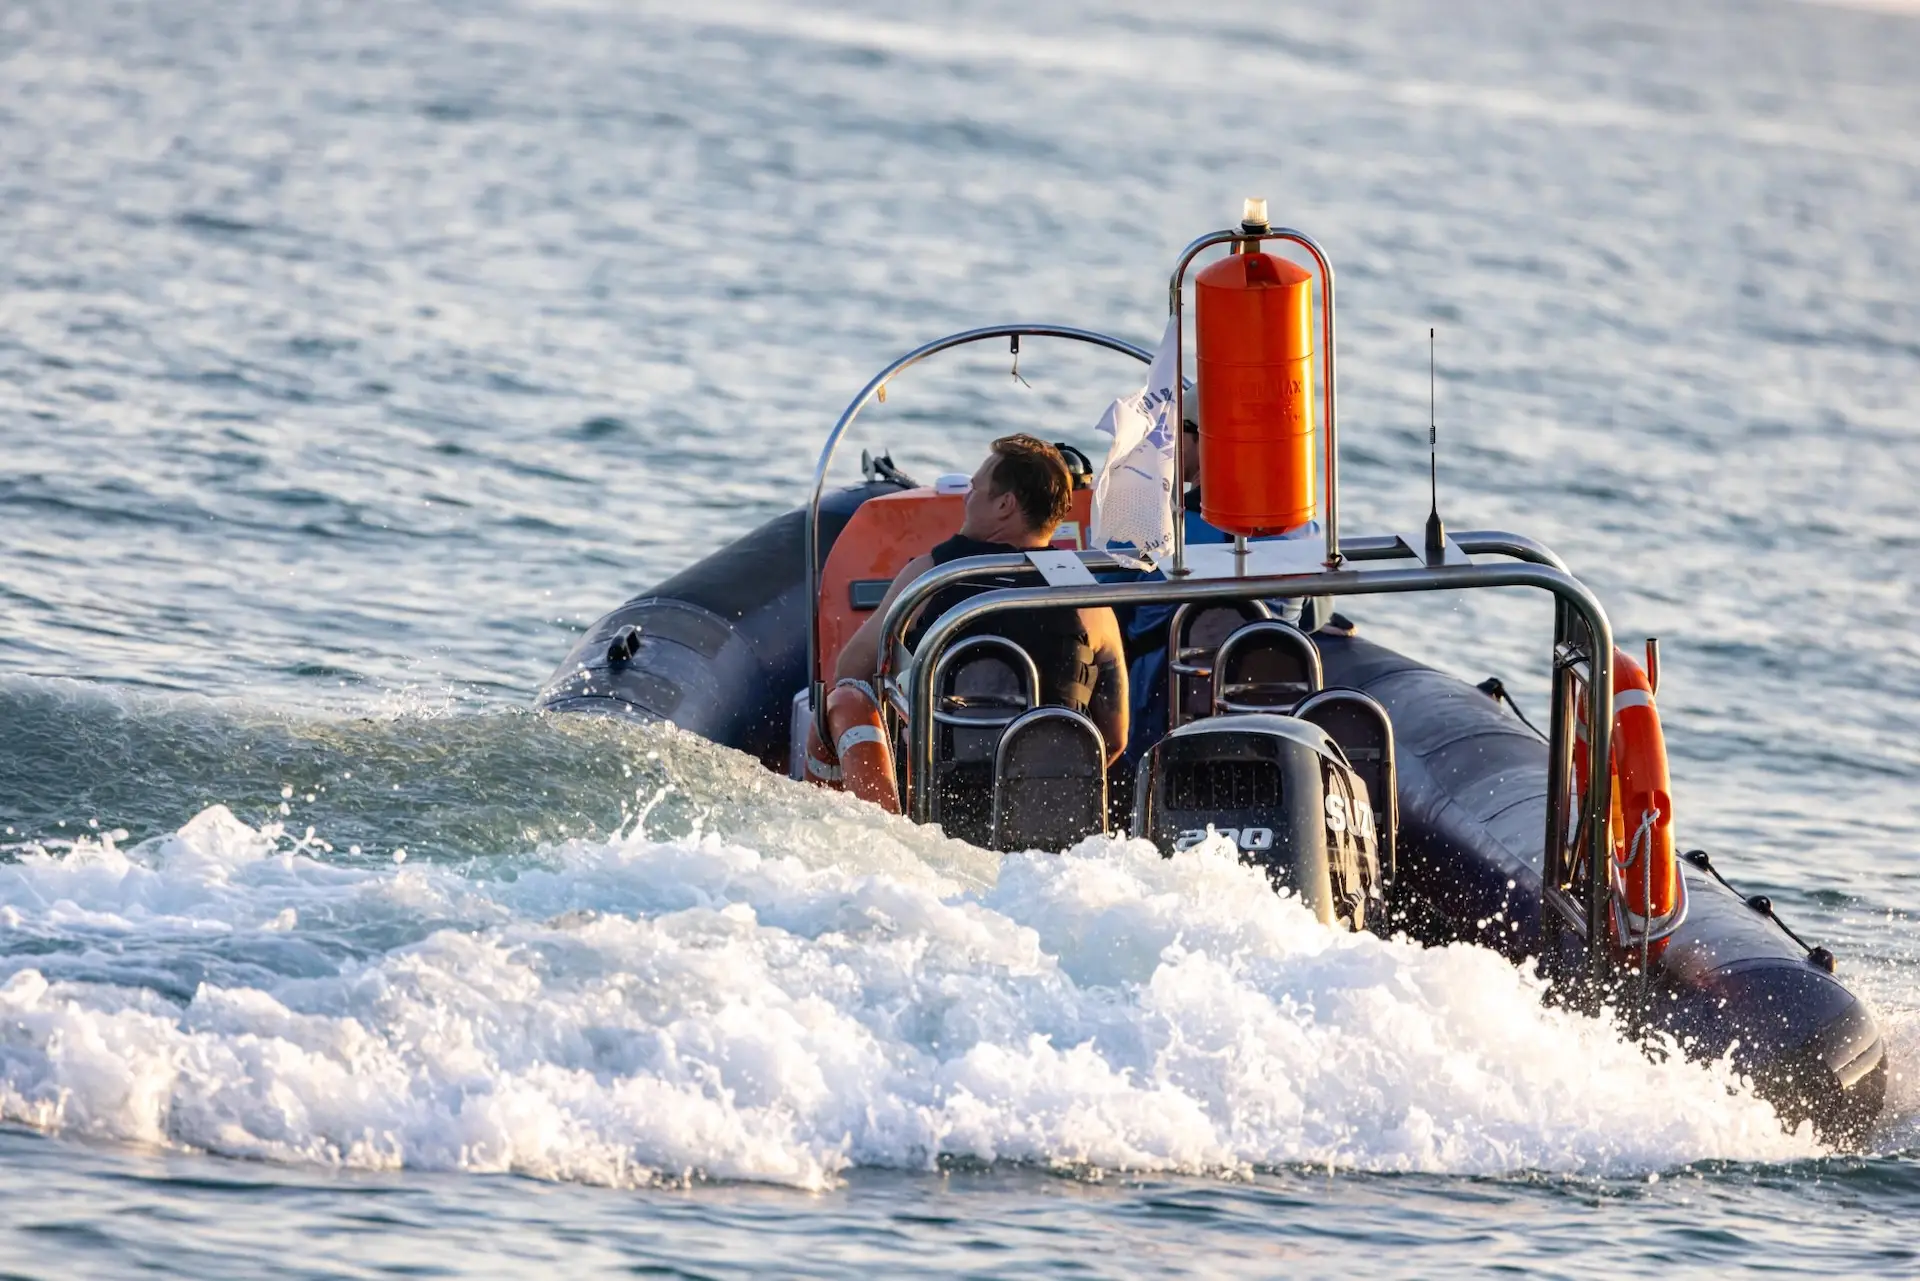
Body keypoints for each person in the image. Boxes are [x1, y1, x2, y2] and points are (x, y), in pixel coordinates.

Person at [835, 434, 1129, 765]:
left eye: (974, 489)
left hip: (934, 792)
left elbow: (851, 673)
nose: (966, 499)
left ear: (1005, 505)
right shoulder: (1088, 600)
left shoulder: (931, 577)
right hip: (1053, 799)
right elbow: (1115, 738)